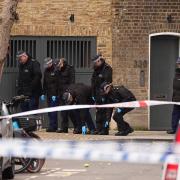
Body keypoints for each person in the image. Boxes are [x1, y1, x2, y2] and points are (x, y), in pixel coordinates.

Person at [55, 58, 78, 133]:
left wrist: (70, 93)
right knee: (63, 113)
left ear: (61, 63)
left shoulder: (70, 69)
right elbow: (57, 82)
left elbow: (72, 81)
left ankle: (77, 127)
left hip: (68, 94)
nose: (58, 67)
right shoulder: (58, 70)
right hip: (61, 94)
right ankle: (64, 128)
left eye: (59, 65)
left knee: (71, 112)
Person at [91, 54, 112, 135]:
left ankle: (104, 130)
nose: (94, 65)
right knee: (99, 113)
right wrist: (93, 94)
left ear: (99, 61)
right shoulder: (96, 69)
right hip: (97, 95)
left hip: (105, 95)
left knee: (105, 113)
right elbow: (93, 83)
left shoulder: (107, 68)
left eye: (95, 63)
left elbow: (107, 83)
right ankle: (98, 129)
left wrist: (104, 95)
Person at [41, 57, 59, 132]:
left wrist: (55, 94)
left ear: (50, 63)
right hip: (48, 94)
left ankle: (53, 126)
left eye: (47, 64)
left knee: (53, 111)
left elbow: (58, 83)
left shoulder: (56, 70)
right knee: (49, 111)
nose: (46, 66)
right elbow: (45, 83)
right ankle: (52, 126)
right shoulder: (46, 71)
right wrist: (43, 93)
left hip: (54, 94)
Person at [167, 57, 180, 134]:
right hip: (176, 99)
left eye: (179, 63)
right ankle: (174, 129)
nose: (178, 65)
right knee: (175, 114)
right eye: (178, 64)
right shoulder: (177, 73)